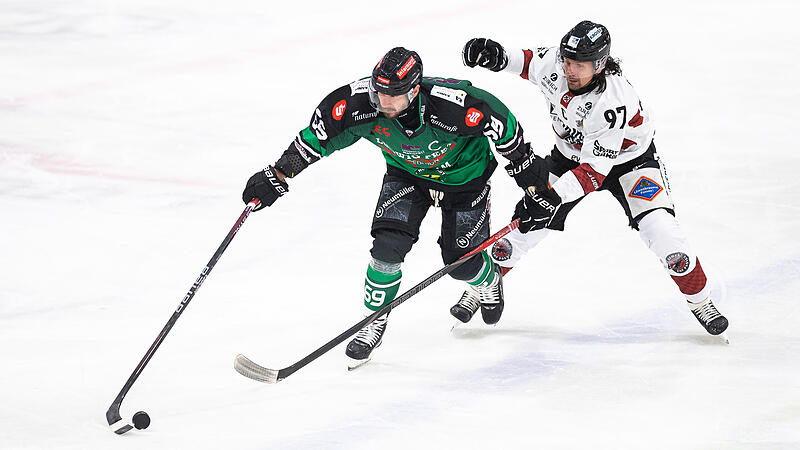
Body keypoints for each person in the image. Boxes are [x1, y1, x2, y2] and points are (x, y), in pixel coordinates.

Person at [242, 47, 534, 368]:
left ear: (414, 90)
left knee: (460, 264)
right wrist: (279, 173)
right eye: (378, 91)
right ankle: (374, 321)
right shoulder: (356, 105)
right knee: (386, 248)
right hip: (406, 176)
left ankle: (488, 281)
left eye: (393, 95)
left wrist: (531, 181)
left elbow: (507, 129)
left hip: (465, 178)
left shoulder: (452, 105)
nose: (383, 102)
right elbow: (318, 137)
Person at [454, 21, 729, 339]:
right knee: (525, 227)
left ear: (599, 65)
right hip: (568, 157)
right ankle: (484, 286)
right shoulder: (557, 63)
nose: (570, 70)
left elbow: (593, 173)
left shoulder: (611, 101)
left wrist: (552, 197)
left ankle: (701, 301)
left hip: (631, 163)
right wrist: (494, 54)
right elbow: (528, 62)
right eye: (568, 61)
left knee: (662, 232)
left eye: (579, 65)